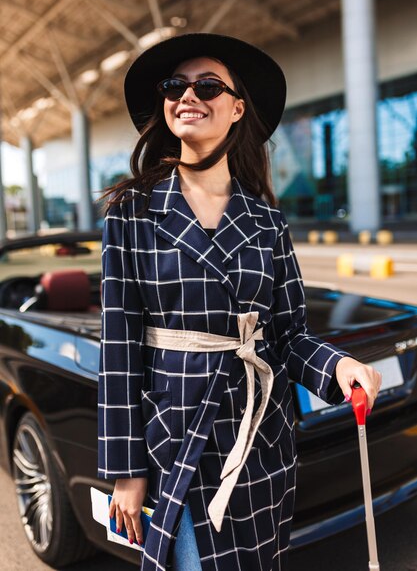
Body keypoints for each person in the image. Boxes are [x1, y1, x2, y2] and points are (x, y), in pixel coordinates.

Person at [97, 33, 381, 571]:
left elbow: (288, 334)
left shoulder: (266, 221)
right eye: (175, 85)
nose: (188, 95)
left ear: (236, 108)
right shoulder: (132, 210)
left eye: (208, 86)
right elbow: (119, 346)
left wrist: (338, 365)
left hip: (259, 443)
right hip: (174, 439)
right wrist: (126, 470)